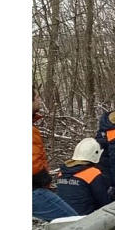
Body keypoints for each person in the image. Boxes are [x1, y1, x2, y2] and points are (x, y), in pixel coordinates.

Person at [33, 88, 79, 221]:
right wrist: (45, 179)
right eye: (37, 97)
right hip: (34, 190)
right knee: (73, 222)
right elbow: (32, 163)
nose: (39, 100)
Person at [56, 138, 112, 216]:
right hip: (84, 217)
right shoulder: (93, 173)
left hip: (62, 216)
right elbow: (102, 201)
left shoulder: (62, 172)